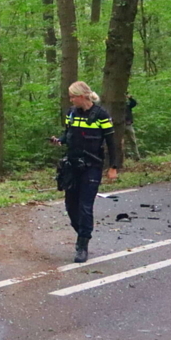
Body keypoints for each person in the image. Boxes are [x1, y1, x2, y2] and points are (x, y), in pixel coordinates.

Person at [49, 81, 118, 263]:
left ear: (82, 96)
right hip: (72, 165)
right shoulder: (71, 114)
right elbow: (68, 134)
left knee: (85, 206)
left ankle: (82, 245)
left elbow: (112, 142)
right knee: (71, 206)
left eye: (73, 96)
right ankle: (83, 232)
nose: (71, 100)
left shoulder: (101, 115)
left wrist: (114, 167)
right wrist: (60, 141)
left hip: (92, 166)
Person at [124, 94, 140, 161]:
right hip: (119, 126)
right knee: (118, 142)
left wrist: (130, 98)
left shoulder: (127, 106)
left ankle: (136, 156)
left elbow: (134, 103)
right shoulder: (115, 107)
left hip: (128, 125)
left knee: (133, 141)